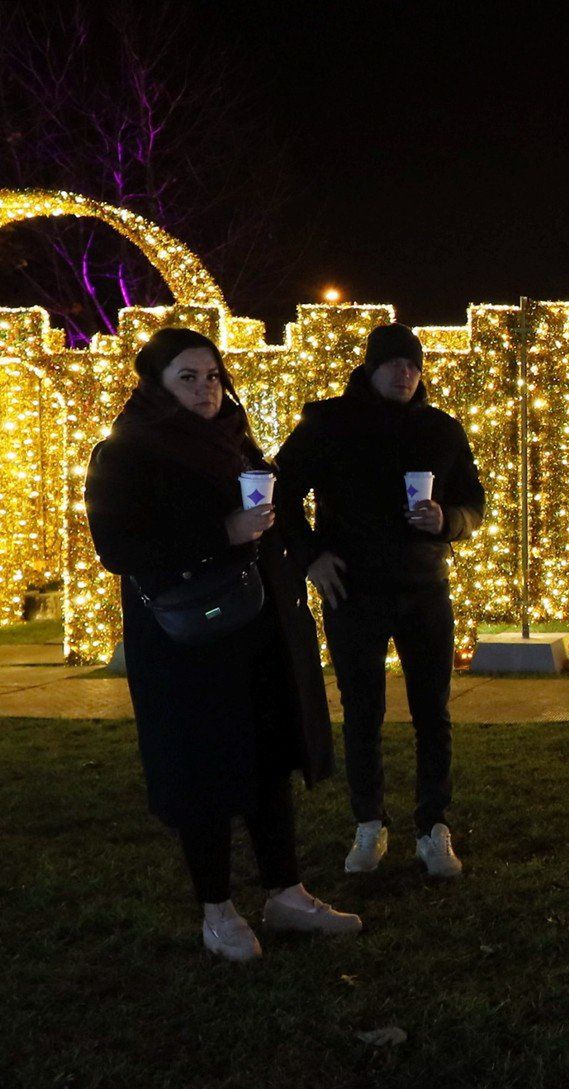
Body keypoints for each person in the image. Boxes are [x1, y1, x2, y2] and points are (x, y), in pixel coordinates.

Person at [85, 327, 361, 962]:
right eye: (188, 377)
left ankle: (285, 891)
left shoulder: (233, 438)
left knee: (267, 755)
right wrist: (222, 531)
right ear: (156, 384)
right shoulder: (127, 451)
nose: (206, 389)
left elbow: (269, 511)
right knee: (203, 767)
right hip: (189, 640)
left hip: (257, 628)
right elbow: (118, 547)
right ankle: (217, 907)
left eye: (213, 376)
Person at [275, 323, 484, 879]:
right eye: (393, 364)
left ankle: (432, 826)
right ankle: (369, 823)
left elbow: (472, 501)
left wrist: (449, 520)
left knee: (432, 712)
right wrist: (311, 557)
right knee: (362, 711)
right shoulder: (329, 424)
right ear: (370, 367)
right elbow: (281, 493)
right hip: (354, 589)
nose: (404, 374)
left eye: (413, 365)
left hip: (423, 588)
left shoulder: (441, 430)